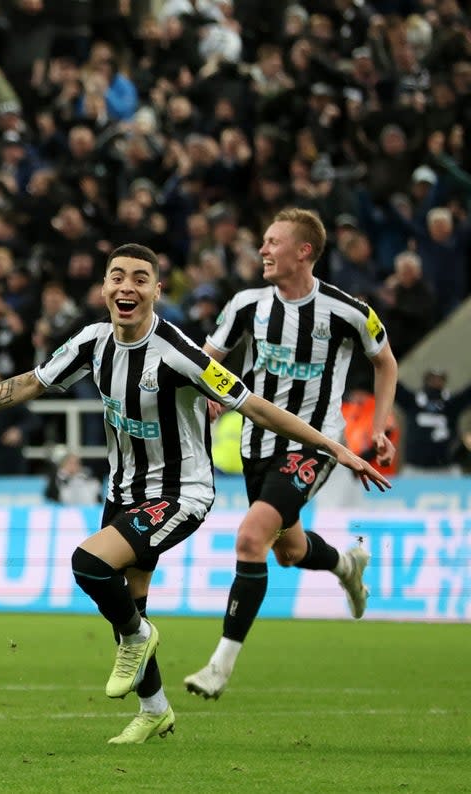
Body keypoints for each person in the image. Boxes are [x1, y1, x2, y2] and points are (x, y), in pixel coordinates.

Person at [0, 243, 389, 745]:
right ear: (104, 288)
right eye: (116, 277)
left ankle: (138, 638)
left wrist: (335, 447)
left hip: (181, 494)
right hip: (124, 489)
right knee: (129, 601)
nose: (125, 287)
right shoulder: (91, 343)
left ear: (156, 290)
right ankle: (154, 708)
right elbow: (30, 383)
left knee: (90, 565)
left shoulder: (179, 353)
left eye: (139, 278)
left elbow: (256, 406)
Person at [184, 208, 398, 701]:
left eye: (272, 242)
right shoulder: (245, 305)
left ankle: (220, 666)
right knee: (289, 550)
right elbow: (204, 361)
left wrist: (382, 424)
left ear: (304, 251)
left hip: (315, 444)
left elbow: (385, 362)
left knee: (250, 537)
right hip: (257, 445)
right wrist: (210, 392)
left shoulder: (348, 312)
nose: (262, 250)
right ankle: (347, 566)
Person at [395, 368, 471, 476]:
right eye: (432, 379)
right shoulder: (413, 402)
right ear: (426, 380)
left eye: (439, 379)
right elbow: (394, 386)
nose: (435, 382)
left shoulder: (451, 404)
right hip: (416, 468)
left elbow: (467, 394)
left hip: (446, 468)